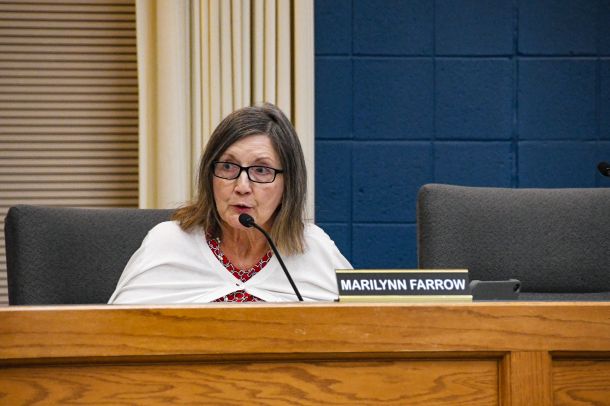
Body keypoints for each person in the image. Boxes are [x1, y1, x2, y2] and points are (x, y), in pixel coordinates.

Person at [108, 103, 351, 304]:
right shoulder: (167, 244)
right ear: (209, 175)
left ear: (288, 183)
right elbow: (111, 331)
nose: (242, 186)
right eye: (227, 166)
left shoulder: (314, 249)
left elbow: (362, 326)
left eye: (261, 170)